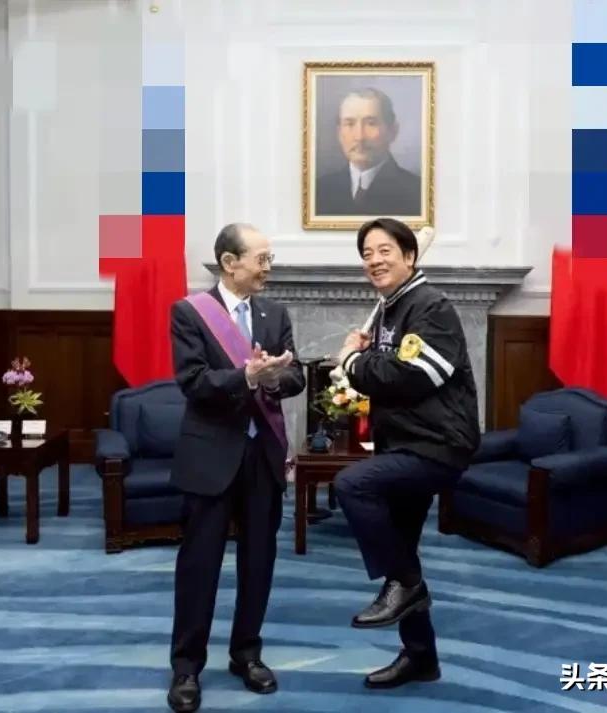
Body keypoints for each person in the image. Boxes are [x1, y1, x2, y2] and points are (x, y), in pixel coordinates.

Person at [332, 217, 481, 689]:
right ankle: (421, 656)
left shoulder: (430, 306)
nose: (374, 261)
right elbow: (390, 372)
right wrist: (367, 358)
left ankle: (408, 585)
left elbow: (415, 376)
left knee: (351, 484)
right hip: (404, 442)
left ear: (410, 256)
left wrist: (354, 361)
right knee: (402, 551)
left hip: (438, 445)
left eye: (385, 251)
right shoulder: (391, 309)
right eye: (367, 254)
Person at [166, 223, 306, 713]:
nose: (268, 268)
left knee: (259, 560)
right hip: (211, 456)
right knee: (199, 564)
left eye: (269, 259)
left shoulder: (274, 313)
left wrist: (274, 379)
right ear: (230, 263)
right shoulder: (190, 312)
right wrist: (245, 376)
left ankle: (246, 653)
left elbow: (296, 375)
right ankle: (186, 667)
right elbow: (193, 382)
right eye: (261, 259)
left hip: (262, 455)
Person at [315, 87, 422, 217]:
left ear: (392, 131)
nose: (359, 137)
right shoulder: (319, 190)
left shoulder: (417, 192)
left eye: (371, 124)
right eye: (349, 124)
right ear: (339, 132)